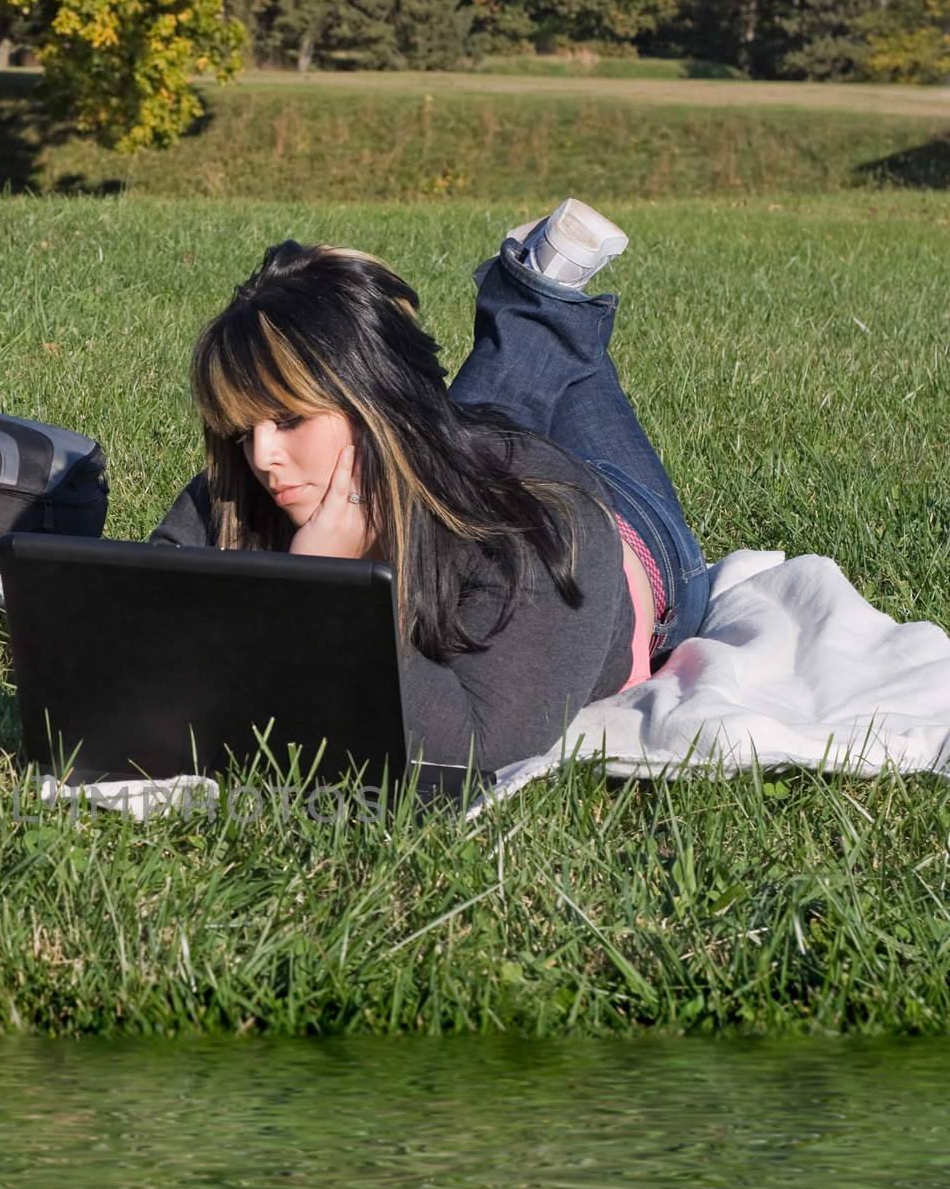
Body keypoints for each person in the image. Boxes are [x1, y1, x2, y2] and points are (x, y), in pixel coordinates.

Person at [147, 199, 711, 774]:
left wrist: (326, 596)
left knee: (490, 422)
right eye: (243, 430)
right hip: (442, 449)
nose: (264, 457)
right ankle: (540, 296)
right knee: (474, 413)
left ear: (375, 408)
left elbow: (475, 753)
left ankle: (539, 300)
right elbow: (140, 634)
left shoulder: (543, 520)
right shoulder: (249, 486)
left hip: (636, 542)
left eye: (290, 420)